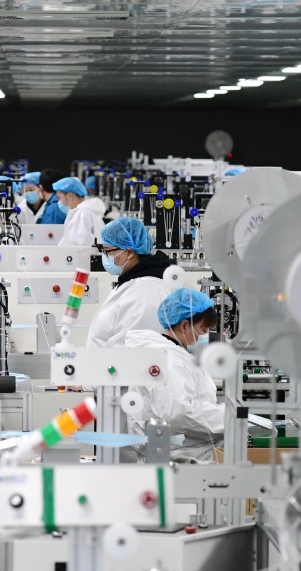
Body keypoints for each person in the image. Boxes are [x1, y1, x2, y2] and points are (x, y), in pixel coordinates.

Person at [125, 289, 224, 462]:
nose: (205, 336)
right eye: (203, 329)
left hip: (182, 455)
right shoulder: (170, 359)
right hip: (180, 459)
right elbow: (178, 413)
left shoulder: (174, 355)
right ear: (185, 326)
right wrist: (228, 417)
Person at [87, 217, 171, 348]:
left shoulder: (146, 293)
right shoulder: (133, 282)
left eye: (108, 251)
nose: (105, 256)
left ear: (130, 253)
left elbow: (130, 350)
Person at [53, 176, 106, 246]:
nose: (59, 202)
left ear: (70, 196)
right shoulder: (83, 212)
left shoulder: (82, 214)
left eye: (59, 197)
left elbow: (81, 245)